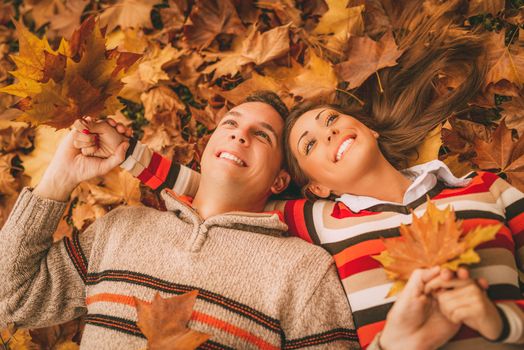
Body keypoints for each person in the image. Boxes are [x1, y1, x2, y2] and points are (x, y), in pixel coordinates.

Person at [0, 92, 365, 349]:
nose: (240, 134)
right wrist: (58, 179)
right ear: (207, 147)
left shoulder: (303, 270)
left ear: (279, 181)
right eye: (231, 124)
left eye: (262, 136)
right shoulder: (121, 228)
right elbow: (11, 299)